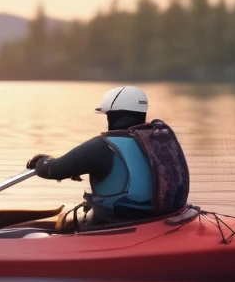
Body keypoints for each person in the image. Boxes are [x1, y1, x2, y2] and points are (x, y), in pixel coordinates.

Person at [26, 86, 190, 229]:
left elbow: (53, 170)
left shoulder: (103, 145)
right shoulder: (155, 141)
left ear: (115, 115)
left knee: (54, 225)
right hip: (157, 215)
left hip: (115, 221)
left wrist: (40, 161)